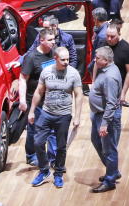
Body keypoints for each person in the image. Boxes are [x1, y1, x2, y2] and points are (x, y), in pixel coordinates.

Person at [28, 46, 82, 189]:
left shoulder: (74, 74)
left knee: (61, 147)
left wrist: (77, 116)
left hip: (64, 115)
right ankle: (44, 170)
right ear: (55, 59)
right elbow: (39, 92)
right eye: (63, 59)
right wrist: (32, 111)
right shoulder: (46, 72)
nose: (66, 62)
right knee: (38, 143)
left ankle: (58, 173)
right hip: (46, 113)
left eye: (68, 59)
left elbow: (78, 95)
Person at [18, 28, 57, 167]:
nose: (53, 42)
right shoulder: (31, 57)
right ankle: (31, 155)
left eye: (54, 39)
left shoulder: (54, 53)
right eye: (50, 40)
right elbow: (22, 79)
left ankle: (53, 157)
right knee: (34, 131)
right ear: (41, 40)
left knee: (53, 130)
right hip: (35, 101)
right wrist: (22, 100)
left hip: (52, 99)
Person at [88, 46, 122, 193]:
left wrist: (104, 124)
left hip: (106, 117)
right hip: (99, 115)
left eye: (98, 58)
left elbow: (111, 102)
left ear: (106, 60)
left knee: (109, 149)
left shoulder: (110, 77)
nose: (95, 60)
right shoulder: (105, 69)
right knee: (96, 141)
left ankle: (110, 181)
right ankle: (113, 170)